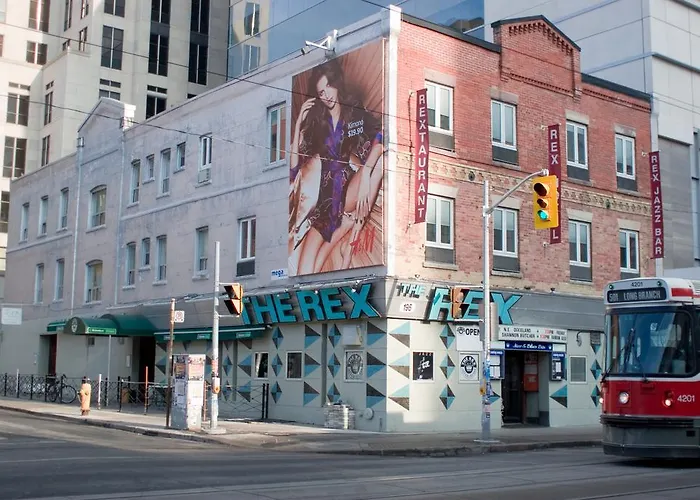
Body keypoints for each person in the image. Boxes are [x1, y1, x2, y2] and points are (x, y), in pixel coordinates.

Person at [289, 58, 384, 275]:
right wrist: (298, 124)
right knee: (304, 274)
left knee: (381, 163)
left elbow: (382, 135)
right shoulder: (317, 123)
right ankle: (344, 234)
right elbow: (294, 170)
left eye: (329, 87)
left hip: (348, 191)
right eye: (321, 92)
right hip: (324, 208)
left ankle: (349, 242)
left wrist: (365, 173)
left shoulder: (354, 111)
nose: (327, 95)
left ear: (336, 83)